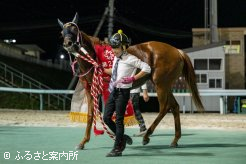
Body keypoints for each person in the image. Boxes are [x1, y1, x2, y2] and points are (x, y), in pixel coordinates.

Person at [103, 30, 151, 157]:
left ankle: (118, 148)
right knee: (106, 118)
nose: (113, 50)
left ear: (124, 47)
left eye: (116, 47)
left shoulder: (131, 58)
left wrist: (133, 78)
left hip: (123, 93)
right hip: (114, 91)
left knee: (118, 121)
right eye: (112, 47)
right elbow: (113, 72)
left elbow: (147, 68)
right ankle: (122, 138)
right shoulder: (116, 58)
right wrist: (100, 69)